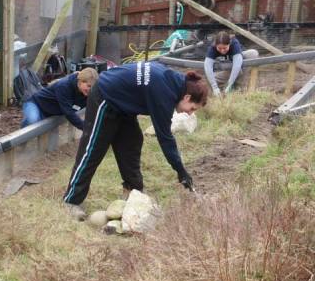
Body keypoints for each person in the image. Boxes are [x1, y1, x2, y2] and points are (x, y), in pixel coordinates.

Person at [63, 61, 209, 220]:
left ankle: (133, 193)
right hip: (105, 96)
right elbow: (165, 138)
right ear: (187, 97)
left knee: (132, 143)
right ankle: (71, 201)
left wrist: (181, 171)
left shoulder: (176, 82)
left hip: (124, 104)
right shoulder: (165, 94)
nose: (190, 113)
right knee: (93, 149)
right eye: (192, 108)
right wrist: (181, 171)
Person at [21, 68, 98, 130]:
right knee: (32, 120)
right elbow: (68, 112)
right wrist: (85, 127)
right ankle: (21, 137)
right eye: (88, 86)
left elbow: (95, 107)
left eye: (93, 87)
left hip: (52, 111)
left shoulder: (87, 93)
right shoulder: (64, 86)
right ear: (80, 81)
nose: (91, 89)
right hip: (36, 104)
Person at [204, 31, 259, 96]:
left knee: (253, 53)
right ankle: (220, 88)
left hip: (237, 65)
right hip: (227, 69)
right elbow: (207, 65)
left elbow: (237, 65)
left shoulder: (234, 43)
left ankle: (237, 85)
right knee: (209, 79)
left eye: (224, 48)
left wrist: (229, 84)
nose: (222, 50)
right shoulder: (212, 47)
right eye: (219, 48)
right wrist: (214, 87)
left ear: (229, 44)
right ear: (216, 45)